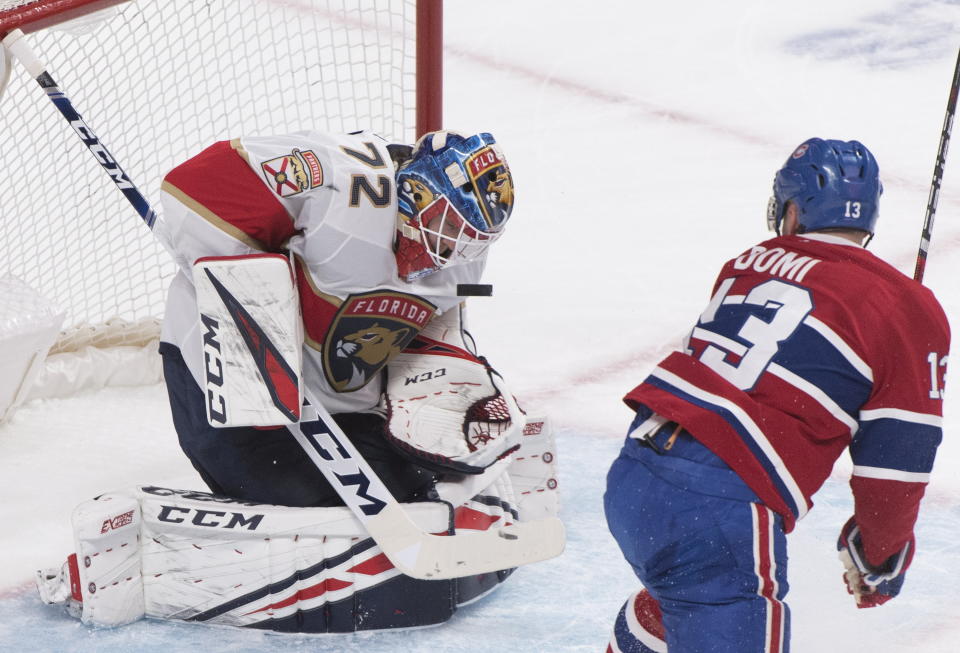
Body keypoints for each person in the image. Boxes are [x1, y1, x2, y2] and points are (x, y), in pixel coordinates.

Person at [36, 129, 561, 633]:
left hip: (342, 404)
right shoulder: (341, 182)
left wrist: (441, 384)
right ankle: (143, 555)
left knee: (407, 500)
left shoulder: (459, 255)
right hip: (228, 384)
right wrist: (249, 290)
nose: (447, 254)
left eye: (468, 242)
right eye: (444, 229)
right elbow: (194, 188)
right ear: (415, 191)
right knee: (304, 506)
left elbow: (431, 325)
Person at [603, 138, 949, 652]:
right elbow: (895, 466)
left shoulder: (748, 263)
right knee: (707, 585)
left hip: (635, 475)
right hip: (718, 503)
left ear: (792, 211)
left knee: (680, 596)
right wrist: (879, 555)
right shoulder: (906, 309)